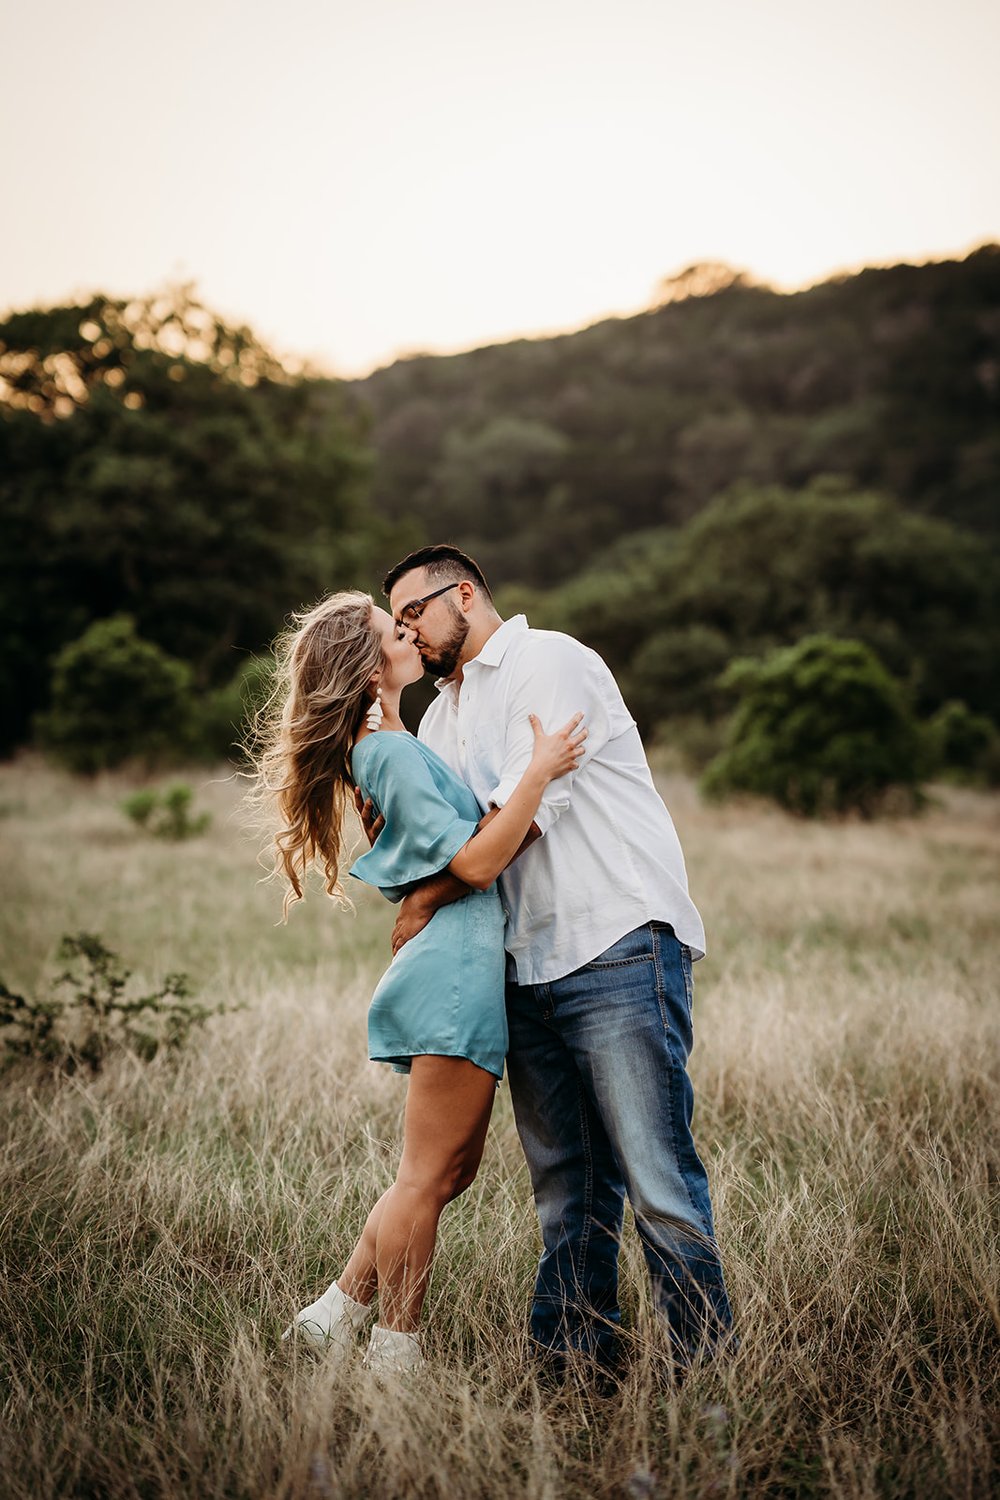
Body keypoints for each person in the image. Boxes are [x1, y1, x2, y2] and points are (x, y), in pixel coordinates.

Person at [376, 545, 734, 1376]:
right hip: (520, 966)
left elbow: (509, 827)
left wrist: (432, 891)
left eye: (413, 614)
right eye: (396, 624)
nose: (407, 633)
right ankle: (577, 1366)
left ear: (462, 594)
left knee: (658, 1181)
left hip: (612, 941)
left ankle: (708, 1378)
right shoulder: (437, 718)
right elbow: (435, 841)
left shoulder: (550, 661)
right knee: (567, 1187)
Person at [253, 590, 586, 1375]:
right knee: (427, 1174)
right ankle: (394, 1356)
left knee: (450, 1170)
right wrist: (538, 772)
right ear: (368, 669)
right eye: (390, 630)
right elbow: (472, 863)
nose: (407, 635)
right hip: (454, 969)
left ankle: (332, 1316)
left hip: (461, 959)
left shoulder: (398, 743)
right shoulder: (391, 753)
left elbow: (441, 866)